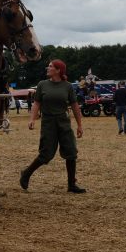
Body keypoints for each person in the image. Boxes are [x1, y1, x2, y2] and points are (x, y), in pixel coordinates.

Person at [20, 59, 86, 193]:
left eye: (50, 66)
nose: (47, 68)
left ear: (58, 70)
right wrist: (32, 119)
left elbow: (74, 106)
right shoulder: (42, 85)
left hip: (63, 122)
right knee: (46, 154)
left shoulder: (67, 86)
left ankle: (71, 185)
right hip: (48, 122)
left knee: (71, 152)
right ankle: (26, 173)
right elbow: (37, 103)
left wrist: (80, 125)